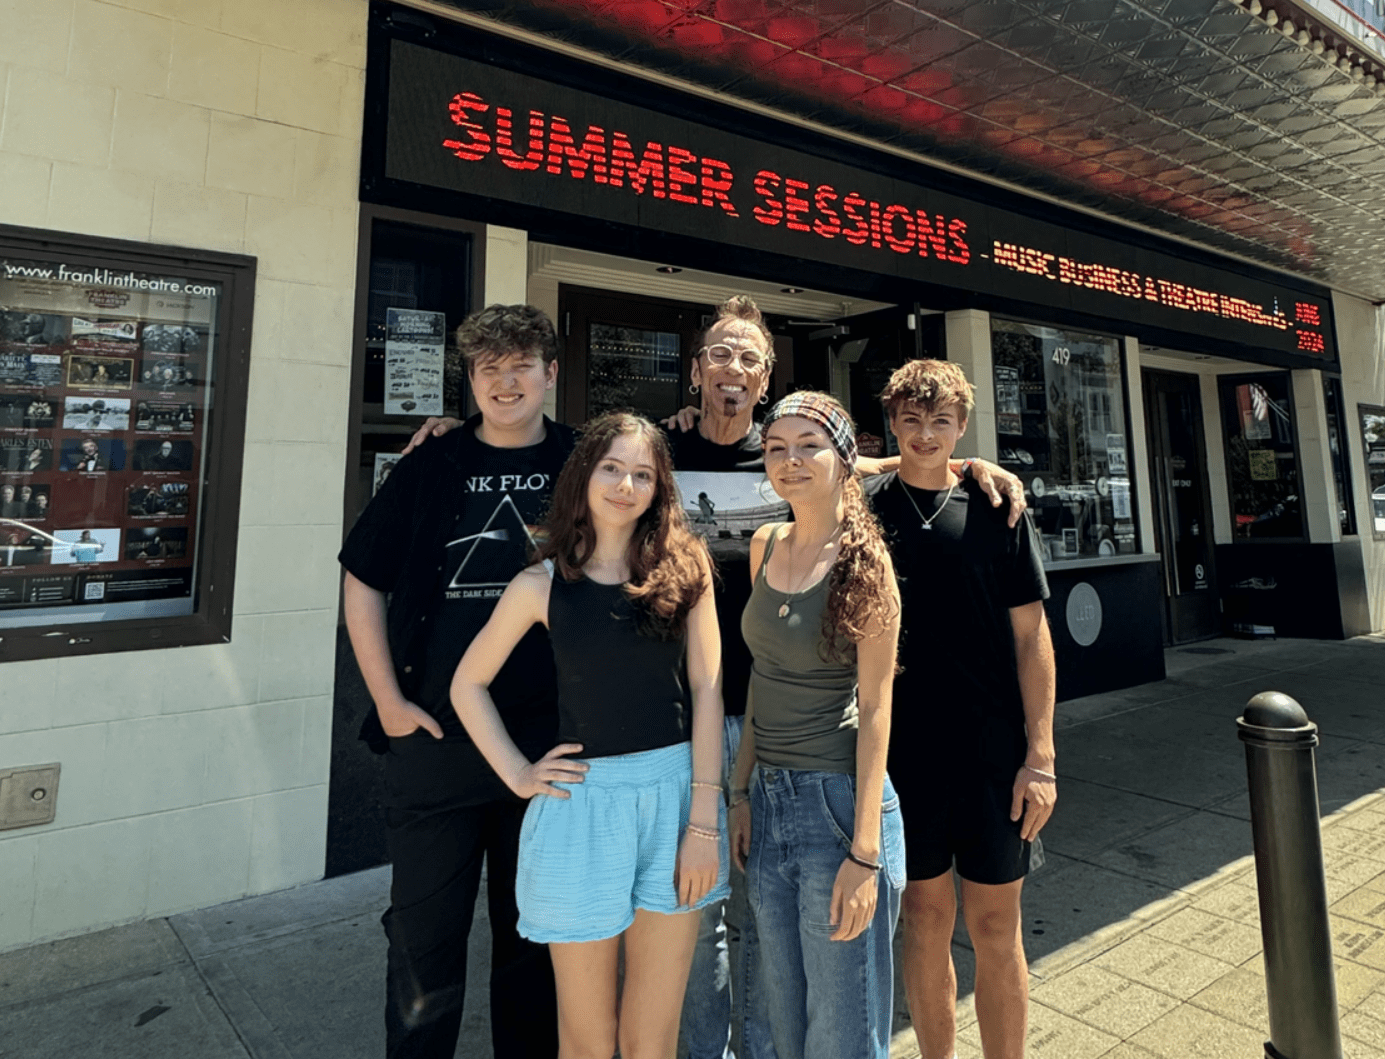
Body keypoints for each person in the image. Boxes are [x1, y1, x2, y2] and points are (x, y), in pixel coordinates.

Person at [406, 296, 1026, 1059]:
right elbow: (582, 453)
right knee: (694, 931)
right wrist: (459, 434)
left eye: (750, 359)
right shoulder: (660, 449)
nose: (734, 369)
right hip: (679, 732)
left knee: (767, 926)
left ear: (766, 379)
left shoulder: (782, 446)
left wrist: (963, 463)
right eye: (720, 354)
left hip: (769, 724)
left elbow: (868, 458)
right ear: (696, 371)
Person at [451, 412, 730, 1059]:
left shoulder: (686, 567)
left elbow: (709, 691)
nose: (626, 486)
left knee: (650, 1038)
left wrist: (704, 823)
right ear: (583, 475)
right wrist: (519, 772)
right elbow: (468, 684)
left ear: (659, 489)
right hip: (582, 811)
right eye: (611, 468)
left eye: (643, 474)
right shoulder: (540, 584)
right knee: (586, 1038)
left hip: (674, 804)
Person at [339, 304, 572, 1059]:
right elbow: (362, 578)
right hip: (435, 744)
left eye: (520, 365)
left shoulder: (584, 460)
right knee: (422, 941)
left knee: (532, 945)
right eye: (487, 368)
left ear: (550, 374)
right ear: (469, 380)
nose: (505, 383)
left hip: (545, 744)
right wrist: (388, 702)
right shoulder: (430, 464)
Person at [869, 361, 1056, 1059]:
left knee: (996, 925)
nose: (925, 435)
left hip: (992, 752)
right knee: (924, 917)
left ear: (962, 426)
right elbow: (824, 460)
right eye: (912, 421)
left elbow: (1032, 636)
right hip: (902, 754)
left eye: (941, 422)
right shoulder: (866, 511)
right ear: (893, 422)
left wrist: (1041, 754)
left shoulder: (998, 508)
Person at [727, 391, 904, 1059]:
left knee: (841, 1030)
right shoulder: (764, 544)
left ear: (844, 459)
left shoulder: (866, 564)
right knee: (779, 1019)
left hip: (836, 806)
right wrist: (739, 790)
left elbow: (878, 708)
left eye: (809, 446)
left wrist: (865, 852)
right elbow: (762, 676)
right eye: (776, 448)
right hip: (768, 799)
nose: (790, 460)